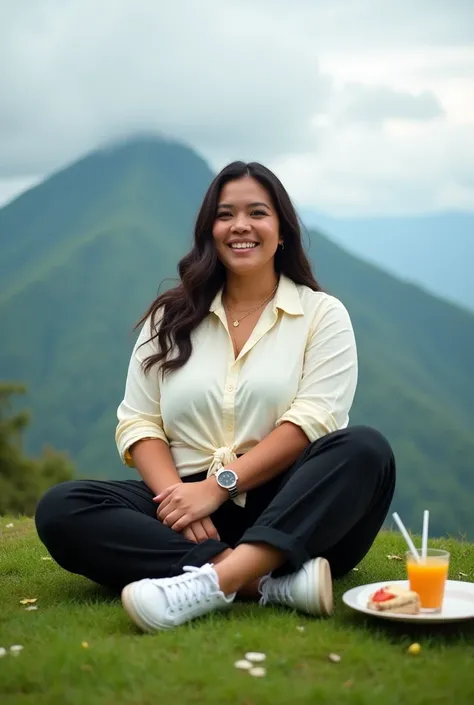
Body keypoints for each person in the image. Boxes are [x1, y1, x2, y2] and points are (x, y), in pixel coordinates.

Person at [35, 161, 396, 633]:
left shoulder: (321, 315)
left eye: (257, 213)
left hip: (292, 507)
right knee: (63, 508)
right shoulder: (170, 318)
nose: (241, 226)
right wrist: (177, 502)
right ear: (210, 230)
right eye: (226, 214)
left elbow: (312, 420)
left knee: (365, 449)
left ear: (282, 231)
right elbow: (140, 422)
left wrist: (217, 487)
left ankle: (211, 580)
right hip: (186, 506)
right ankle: (267, 585)